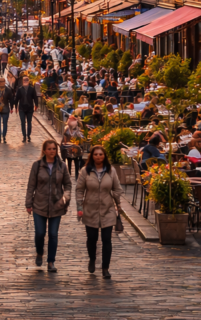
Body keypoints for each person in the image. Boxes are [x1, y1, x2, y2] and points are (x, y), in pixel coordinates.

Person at [75, 145, 123, 279]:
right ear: (92, 156)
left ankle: (105, 268)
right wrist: (80, 207)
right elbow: (79, 190)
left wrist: (114, 196)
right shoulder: (85, 171)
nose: (98, 156)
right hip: (90, 209)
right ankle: (92, 259)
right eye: (96, 154)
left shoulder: (111, 171)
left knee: (107, 239)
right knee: (92, 238)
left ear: (104, 156)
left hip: (108, 209)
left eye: (101, 154)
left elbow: (118, 189)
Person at [25, 139, 73, 273]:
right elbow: (31, 186)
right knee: (40, 233)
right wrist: (28, 203)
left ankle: (51, 261)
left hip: (56, 205)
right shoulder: (37, 165)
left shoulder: (62, 166)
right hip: (39, 204)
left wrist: (66, 198)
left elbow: (68, 185)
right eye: (50, 149)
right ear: (44, 151)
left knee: (53, 234)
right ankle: (39, 252)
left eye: (54, 149)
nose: (52, 151)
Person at [15, 77, 38, 143]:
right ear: (22, 81)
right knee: (22, 122)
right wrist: (16, 107)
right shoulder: (20, 89)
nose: (25, 81)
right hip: (22, 108)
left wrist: (36, 105)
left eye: (26, 80)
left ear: (28, 81)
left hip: (29, 108)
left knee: (29, 122)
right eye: (24, 80)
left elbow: (35, 97)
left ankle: (29, 135)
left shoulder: (32, 89)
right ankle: (24, 136)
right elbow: (17, 99)